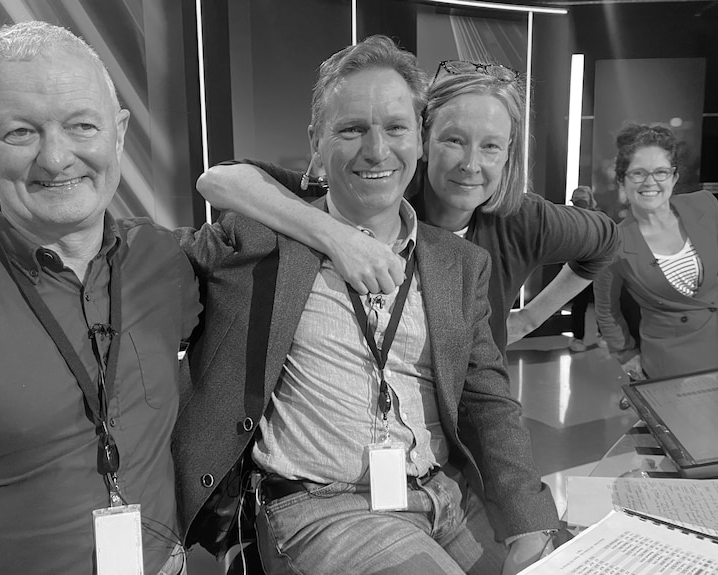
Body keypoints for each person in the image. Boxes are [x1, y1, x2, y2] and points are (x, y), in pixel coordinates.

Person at [172, 36, 558, 574]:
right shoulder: (260, 241)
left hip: (443, 495)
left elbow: (487, 401)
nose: (377, 151)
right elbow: (176, 227)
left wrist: (527, 521)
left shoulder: (458, 263)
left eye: (395, 128)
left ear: (419, 139)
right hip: (325, 506)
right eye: (352, 129)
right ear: (316, 142)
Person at [0, 22, 200, 574]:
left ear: (117, 133)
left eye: (82, 126)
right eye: (21, 133)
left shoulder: (166, 263)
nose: (56, 158)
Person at [194, 59, 619, 355]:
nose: (472, 165)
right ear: (422, 139)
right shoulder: (376, 192)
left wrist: (527, 320)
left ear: (509, 153)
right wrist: (336, 235)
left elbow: (605, 241)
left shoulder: (524, 220)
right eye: (454, 140)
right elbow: (220, 180)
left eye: (491, 146)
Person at [594, 123, 718, 380]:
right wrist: (625, 353)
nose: (650, 182)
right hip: (675, 351)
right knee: (694, 419)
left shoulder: (704, 205)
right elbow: (607, 310)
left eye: (661, 172)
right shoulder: (612, 244)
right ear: (622, 179)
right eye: (638, 173)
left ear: (674, 177)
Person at [567, 186, 604, 352]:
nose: (581, 202)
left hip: (598, 267)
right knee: (579, 305)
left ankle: (603, 334)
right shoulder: (567, 217)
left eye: (583, 199)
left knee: (601, 304)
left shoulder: (599, 217)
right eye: (578, 199)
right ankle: (577, 338)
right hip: (578, 268)